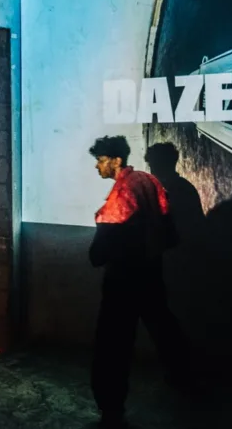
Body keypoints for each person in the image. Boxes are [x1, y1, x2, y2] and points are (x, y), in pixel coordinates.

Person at [88, 135, 188, 429]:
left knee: (113, 344)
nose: (97, 166)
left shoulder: (121, 195)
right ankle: (182, 376)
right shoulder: (149, 181)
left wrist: (103, 250)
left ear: (116, 160)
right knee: (163, 324)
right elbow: (170, 232)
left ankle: (111, 407)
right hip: (150, 271)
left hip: (123, 279)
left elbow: (97, 254)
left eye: (101, 160)